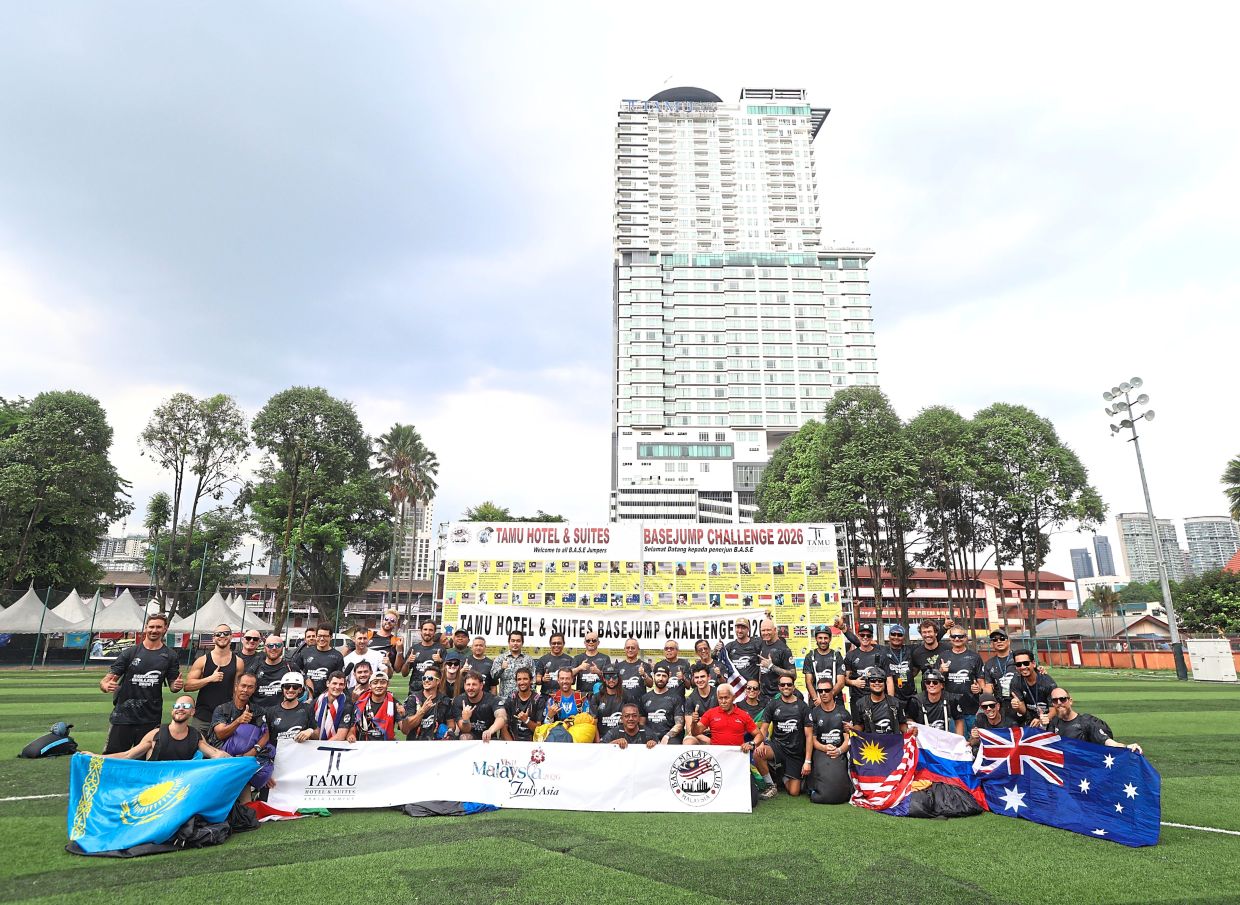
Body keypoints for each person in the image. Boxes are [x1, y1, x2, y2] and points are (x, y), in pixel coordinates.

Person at [99, 612, 183, 755]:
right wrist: (106, 686)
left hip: (150, 718)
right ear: (145, 628)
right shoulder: (130, 653)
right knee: (113, 757)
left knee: (143, 759)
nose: (154, 630)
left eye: (158, 627)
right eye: (151, 627)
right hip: (123, 716)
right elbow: (105, 681)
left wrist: (177, 685)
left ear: (165, 629)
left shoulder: (170, 656)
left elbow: (173, 686)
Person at [95, 695, 229, 761]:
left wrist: (241, 761)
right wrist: (96, 757)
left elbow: (215, 754)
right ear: (172, 710)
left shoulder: (196, 736)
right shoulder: (155, 734)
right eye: (177, 706)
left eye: (186, 706)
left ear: (192, 712)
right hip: (154, 786)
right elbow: (128, 754)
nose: (180, 709)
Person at [759, 672, 813, 797]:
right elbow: (764, 728)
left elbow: (809, 736)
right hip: (777, 747)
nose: (786, 687)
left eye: (789, 684)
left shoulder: (803, 707)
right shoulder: (773, 704)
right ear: (779, 687)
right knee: (758, 753)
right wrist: (760, 743)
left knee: (794, 792)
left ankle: (782, 775)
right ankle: (770, 785)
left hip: (795, 752)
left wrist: (807, 761)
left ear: (794, 687)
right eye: (782, 685)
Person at [184, 623, 242, 736]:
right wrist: (209, 679)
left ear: (231, 636)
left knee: (223, 752)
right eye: (218, 634)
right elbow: (187, 686)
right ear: (213, 638)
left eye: (226, 633)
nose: (222, 636)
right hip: (202, 716)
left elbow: (237, 691)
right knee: (198, 751)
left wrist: (237, 713)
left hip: (226, 716)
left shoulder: (238, 662)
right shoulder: (202, 660)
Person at [1046, 689, 1143, 753]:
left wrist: (1126, 747)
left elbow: (1107, 742)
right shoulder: (1053, 723)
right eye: (1055, 701)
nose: (1059, 703)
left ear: (1070, 701)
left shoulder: (1087, 722)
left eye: (1062, 699)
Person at [807, 679, 851, 803]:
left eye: (827, 690)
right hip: (821, 750)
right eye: (820, 691)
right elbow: (813, 740)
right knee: (826, 794)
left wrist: (839, 750)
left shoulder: (843, 712)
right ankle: (810, 786)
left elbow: (847, 739)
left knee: (841, 794)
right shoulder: (814, 713)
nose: (823, 693)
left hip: (839, 751)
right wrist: (825, 748)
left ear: (833, 691)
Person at [935, 626, 984, 734]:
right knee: (957, 742)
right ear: (950, 638)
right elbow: (934, 682)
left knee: (974, 740)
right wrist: (940, 671)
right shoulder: (943, 657)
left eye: (960, 636)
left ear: (966, 638)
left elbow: (981, 680)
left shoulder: (974, 657)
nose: (957, 639)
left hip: (971, 706)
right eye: (954, 636)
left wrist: (979, 689)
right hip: (950, 707)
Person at [696, 684, 764, 755]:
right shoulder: (710, 713)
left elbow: (759, 735)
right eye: (720, 698)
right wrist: (694, 722)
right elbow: (695, 732)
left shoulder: (743, 715)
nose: (723, 701)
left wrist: (751, 743)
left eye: (726, 698)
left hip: (737, 758)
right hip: (716, 756)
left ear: (733, 697)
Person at [263, 672, 319, 749]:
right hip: (277, 757)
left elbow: (318, 735)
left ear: (300, 690)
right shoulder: (271, 712)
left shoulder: (307, 709)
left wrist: (310, 731)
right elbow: (265, 737)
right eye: (287, 686)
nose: (291, 690)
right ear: (282, 688)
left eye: (295, 687)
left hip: (300, 756)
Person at [293, 623, 346, 699]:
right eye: (319, 636)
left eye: (325, 636)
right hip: (306, 698)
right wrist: (305, 680)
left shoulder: (337, 656)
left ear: (331, 637)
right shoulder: (305, 652)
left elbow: (339, 680)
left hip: (326, 699)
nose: (321, 639)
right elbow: (296, 670)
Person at [848, 667, 907, 734]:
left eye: (880, 681)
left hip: (892, 742)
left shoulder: (895, 702)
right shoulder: (861, 704)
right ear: (868, 683)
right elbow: (859, 726)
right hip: (871, 743)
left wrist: (909, 731)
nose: (877, 683)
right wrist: (852, 730)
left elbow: (902, 725)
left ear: (884, 683)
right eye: (873, 681)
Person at [450, 670, 506, 740]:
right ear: (464, 686)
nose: (470, 688)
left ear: (481, 685)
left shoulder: (493, 699)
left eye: (474, 684)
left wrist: (490, 731)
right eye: (468, 684)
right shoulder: (458, 700)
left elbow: (502, 717)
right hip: (469, 736)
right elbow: (465, 730)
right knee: (465, 737)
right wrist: (466, 720)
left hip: (489, 737)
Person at [1008, 649, 1059, 727]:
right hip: (1030, 721)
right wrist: (1017, 707)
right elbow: (1023, 711)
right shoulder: (1015, 681)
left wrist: (1041, 720)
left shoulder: (1048, 683)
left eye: (1026, 663)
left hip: (1048, 720)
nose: (1022, 667)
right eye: (1019, 664)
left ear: (1034, 664)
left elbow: (1054, 709)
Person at [906, 671, 965, 735]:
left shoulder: (951, 699)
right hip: (923, 738)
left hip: (944, 737)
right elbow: (909, 718)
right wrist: (912, 727)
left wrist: (960, 740)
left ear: (942, 685)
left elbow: (959, 720)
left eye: (935, 682)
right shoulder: (916, 701)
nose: (931, 685)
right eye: (928, 682)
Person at [843, 625, 886, 711]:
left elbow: (888, 679)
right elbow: (843, 679)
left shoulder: (881, 654)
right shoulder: (851, 655)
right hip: (857, 699)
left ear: (872, 637)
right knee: (858, 724)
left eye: (868, 635)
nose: (865, 637)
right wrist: (853, 682)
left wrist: (889, 700)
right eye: (862, 635)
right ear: (858, 636)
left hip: (877, 699)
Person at [640, 665, 684, 744]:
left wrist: (667, 736)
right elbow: (641, 724)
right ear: (653, 676)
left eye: (664, 676)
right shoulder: (645, 698)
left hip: (670, 737)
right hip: (649, 737)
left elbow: (679, 724)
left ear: (668, 677)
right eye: (658, 675)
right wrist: (650, 738)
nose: (660, 679)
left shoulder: (676, 698)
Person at [354, 670, 403, 741]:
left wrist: (404, 717)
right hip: (364, 746)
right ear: (370, 686)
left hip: (386, 746)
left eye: (383, 682)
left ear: (388, 685)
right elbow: (353, 724)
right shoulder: (361, 701)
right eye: (375, 683)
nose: (379, 686)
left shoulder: (394, 704)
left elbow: (405, 731)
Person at [803, 626, 846, 705]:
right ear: (816, 638)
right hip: (816, 700)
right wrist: (816, 699)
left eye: (825, 638)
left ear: (830, 639)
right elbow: (808, 681)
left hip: (835, 699)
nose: (823, 641)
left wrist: (828, 697)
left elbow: (841, 682)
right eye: (820, 638)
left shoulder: (837, 656)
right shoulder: (810, 656)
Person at [248, 634, 293, 709]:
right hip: (257, 713)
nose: (274, 648)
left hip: (281, 714)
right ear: (265, 648)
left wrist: (310, 698)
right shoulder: (255, 666)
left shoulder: (290, 666)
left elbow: (306, 680)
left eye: (278, 645)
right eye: (270, 646)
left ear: (282, 647)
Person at [401, 619, 446, 693]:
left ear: (434, 632)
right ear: (420, 631)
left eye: (431, 630)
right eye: (425, 629)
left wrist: (440, 661)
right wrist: (407, 662)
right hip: (415, 690)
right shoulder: (414, 649)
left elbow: (446, 672)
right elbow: (404, 674)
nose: (427, 632)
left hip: (434, 691)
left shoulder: (441, 649)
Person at [757, 618, 796, 700]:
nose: (765, 633)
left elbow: (793, 674)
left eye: (768, 630)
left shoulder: (784, 649)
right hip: (763, 697)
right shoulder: (762, 643)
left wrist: (771, 666)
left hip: (778, 697)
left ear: (775, 630)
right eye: (763, 630)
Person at [490, 631, 537, 700]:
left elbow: (533, 680)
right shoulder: (501, 658)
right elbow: (493, 677)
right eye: (513, 641)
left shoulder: (528, 659)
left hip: (524, 700)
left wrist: (531, 697)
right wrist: (501, 668)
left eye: (518, 641)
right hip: (505, 699)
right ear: (509, 642)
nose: (515, 643)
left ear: (522, 643)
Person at [502, 667, 544, 742]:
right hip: (513, 741)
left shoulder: (539, 700)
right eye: (519, 679)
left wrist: (526, 720)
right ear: (516, 681)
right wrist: (511, 745)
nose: (522, 682)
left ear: (531, 680)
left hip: (533, 743)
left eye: (525, 679)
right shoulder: (510, 700)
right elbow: (504, 728)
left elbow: (540, 730)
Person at [312, 670, 356, 741]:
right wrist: (310, 732)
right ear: (328, 683)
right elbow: (316, 730)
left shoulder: (347, 704)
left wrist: (321, 749)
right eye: (334, 683)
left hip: (335, 748)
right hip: (317, 744)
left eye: (341, 684)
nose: (337, 687)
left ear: (344, 686)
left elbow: (340, 736)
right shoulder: (318, 701)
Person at [682, 664, 720, 744]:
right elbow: (690, 729)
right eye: (696, 677)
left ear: (709, 677)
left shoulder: (718, 694)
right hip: (699, 735)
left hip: (718, 733)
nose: (699, 680)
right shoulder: (690, 699)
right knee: (688, 741)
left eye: (702, 676)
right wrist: (709, 741)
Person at [980, 629, 1018, 703]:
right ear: (992, 644)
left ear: (1009, 641)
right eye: (995, 640)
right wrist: (981, 689)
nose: (999, 641)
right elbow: (989, 686)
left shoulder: (1018, 658)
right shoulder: (989, 664)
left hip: (1019, 701)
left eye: (1002, 638)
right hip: (1000, 703)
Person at [592, 667, 630, 740]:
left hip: (622, 739)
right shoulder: (596, 697)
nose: (611, 680)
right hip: (602, 739)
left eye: (614, 677)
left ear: (618, 678)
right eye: (608, 677)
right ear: (603, 678)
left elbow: (632, 721)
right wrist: (598, 742)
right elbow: (594, 723)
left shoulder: (626, 696)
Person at [882, 625, 916, 703]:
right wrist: (847, 632)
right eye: (893, 634)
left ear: (903, 637)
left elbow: (929, 643)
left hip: (910, 696)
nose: (896, 637)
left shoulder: (910, 650)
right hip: (890, 695)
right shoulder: (882, 651)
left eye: (899, 635)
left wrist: (944, 628)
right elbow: (862, 643)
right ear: (889, 636)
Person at [724, 618, 762, 685]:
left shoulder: (757, 644)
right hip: (736, 688)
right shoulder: (729, 646)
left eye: (743, 628)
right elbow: (716, 660)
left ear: (748, 629)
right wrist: (715, 650)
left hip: (751, 688)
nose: (740, 631)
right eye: (738, 627)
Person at [367, 609, 406, 673]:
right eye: (386, 619)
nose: (388, 621)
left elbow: (397, 669)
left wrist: (399, 652)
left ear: (395, 624)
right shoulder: (369, 635)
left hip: (383, 679)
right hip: (366, 676)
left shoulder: (396, 641)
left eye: (392, 620)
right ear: (382, 620)